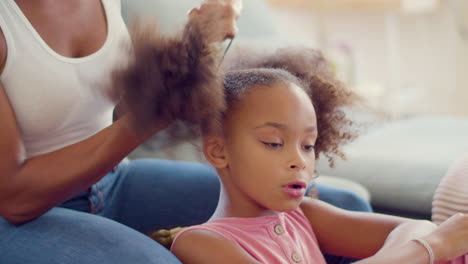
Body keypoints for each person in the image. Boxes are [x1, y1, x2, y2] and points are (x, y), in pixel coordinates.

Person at [0, 1, 371, 263]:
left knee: (346, 207)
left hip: (111, 183)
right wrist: (158, 110)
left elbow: (120, 104)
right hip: (17, 213)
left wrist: (193, 48)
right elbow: (14, 199)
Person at [166, 48, 468, 264]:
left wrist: (429, 242)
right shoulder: (200, 243)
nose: (299, 160)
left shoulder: (304, 215)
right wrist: (427, 248)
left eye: (308, 145)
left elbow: (417, 228)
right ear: (219, 152)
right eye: (273, 142)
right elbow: (429, 239)